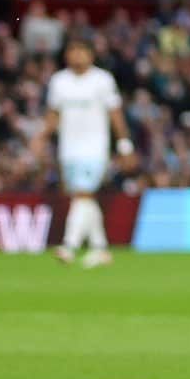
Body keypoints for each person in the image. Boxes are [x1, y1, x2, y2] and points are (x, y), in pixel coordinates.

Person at [41, 37, 132, 268]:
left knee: (83, 194)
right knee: (84, 198)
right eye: (72, 50)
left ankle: (69, 246)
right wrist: (41, 137)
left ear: (91, 55)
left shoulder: (102, 80)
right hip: (68, 149)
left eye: (81, 50)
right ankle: (100, 248)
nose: (77, 55)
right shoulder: (59, 81)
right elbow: (53, 114)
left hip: (94, 148)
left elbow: (115, 114)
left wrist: (124, 145)